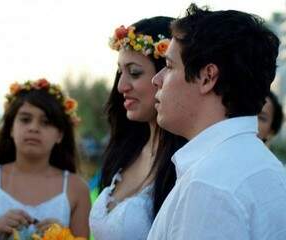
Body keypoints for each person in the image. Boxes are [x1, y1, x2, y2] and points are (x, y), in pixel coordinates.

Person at [148, 4, 286, 240]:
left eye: (169, 66)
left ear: (208, 77)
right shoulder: (269, 169)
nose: (156, 79)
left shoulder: (209, 185)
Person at [89, 17, 187, 240]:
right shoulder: (124, 149)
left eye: (134, 73)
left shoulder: (186, 162)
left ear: (167, 73)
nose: (121, 86)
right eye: (119, 72)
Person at [0, 78, 91, 239]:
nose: (33, 128)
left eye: (45, 122)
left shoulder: (77, 188)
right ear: (11, 128)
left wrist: (63, 235)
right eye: (25, 119)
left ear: (60, 134)